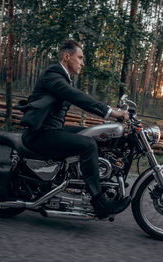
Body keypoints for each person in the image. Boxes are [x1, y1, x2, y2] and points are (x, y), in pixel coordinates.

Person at [19, 40, 130, 219]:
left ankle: (80, 182)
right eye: (80, 58)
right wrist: (111, 113)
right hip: (40, 135)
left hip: (53, 130)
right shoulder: (53, 75)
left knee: (93, 136)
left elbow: (82, 99)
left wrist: (112, 110)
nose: (82, 62)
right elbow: (78, 97)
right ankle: (99, 202)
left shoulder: (64, 78)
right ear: (66, 56)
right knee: (87, 145)